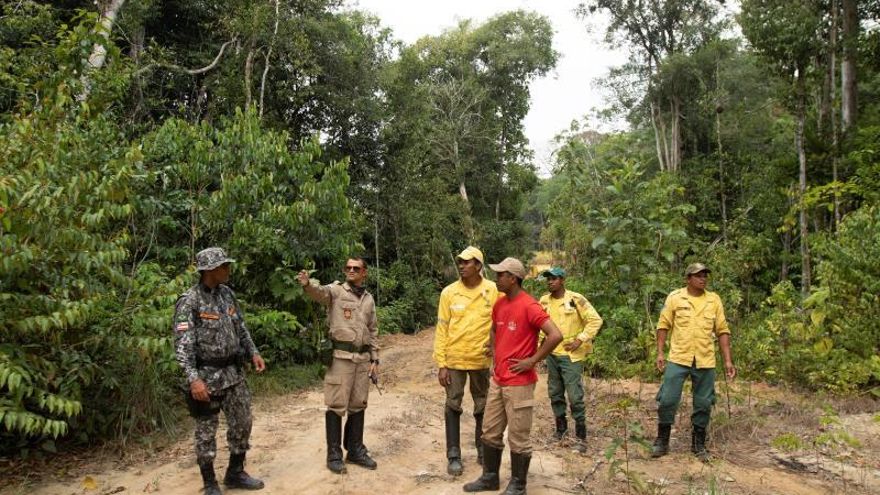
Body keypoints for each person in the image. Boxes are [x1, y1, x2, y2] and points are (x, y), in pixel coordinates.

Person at [463, 257, 563, 495]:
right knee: (490, 430)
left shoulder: (529, 306)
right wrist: (493, 348)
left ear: (513, 278)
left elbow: (555, 335)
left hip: (519, 383)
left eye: (500, 275)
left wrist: (532, 360)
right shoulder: (500, 304)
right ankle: (490, 478)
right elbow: (495, 328)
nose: (496, 279)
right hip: (499, 379)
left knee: (518, 436)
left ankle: (519, 484)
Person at [173, 247, 267, 495]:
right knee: (206, 432)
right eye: (224, 266)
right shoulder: (190, 301)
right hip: (207, 377)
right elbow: (183, 346)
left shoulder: (227, 294)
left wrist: (253, 352)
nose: (228, 270)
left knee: (242, 422)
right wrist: (194, 380)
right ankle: (210, 483)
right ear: (210, 270)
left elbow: (241, 328)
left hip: (234, 374)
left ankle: (235, 472)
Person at [297, 257, 379, 474]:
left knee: (358, 404)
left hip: (362, 361)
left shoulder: (369, 299)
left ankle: (355, 450)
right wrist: (307, 284)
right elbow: (319, 293)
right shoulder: (336, 291)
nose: (351, 271)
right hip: (340, 359)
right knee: (336, 405)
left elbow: (373, 331)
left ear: (364, 272)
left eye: (356, 268)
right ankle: (334, 455)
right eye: (348, 268)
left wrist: (375, 359)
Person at [651, 263, 735, 461]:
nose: (703, 279)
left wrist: (728, 361)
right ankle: (662, 440)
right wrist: (660, 352)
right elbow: (663, 325)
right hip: (679, 357)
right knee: (668, 399)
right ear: (688, 278)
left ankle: (698, 444)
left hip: (705, 359)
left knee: (704, 403)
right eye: (698, 275)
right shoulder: (675, 297)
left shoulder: (714, 300)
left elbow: (722, 330)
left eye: (705, 275)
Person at [433, 246, 499, 476]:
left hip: (481, 360)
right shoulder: (449, 293)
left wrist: (498, 350)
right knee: (452, 405)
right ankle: (453, 456)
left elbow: (500, 322)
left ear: (478, 266)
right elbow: (441, 328)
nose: (461, 265)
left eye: (466, 262)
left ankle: (482, 450)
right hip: (455, 360)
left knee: (482, 405)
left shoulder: (493, 291)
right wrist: (441, 363)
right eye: (459, 262)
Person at [538, 267, 603, 451]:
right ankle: (561, 431)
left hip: (571, 355)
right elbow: (537, 326)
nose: (550, 282)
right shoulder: (543, 301)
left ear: (562, 280)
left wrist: (580, 339)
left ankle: (581, 436)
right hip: (551, 354)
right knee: (555, 393)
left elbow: (595, 320)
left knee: (575, 396)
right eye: (548, 279)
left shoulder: (576, 299)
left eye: (554, 278)